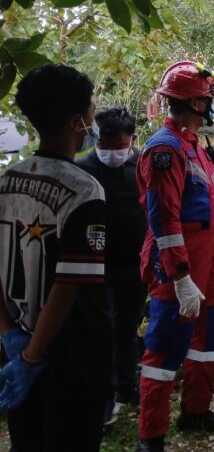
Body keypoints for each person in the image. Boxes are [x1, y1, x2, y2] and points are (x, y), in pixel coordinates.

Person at [0, 64, 112, 450]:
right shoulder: (84, 191)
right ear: (76, 121)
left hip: (18, 344)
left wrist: (12, 339)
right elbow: (68, 285)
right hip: (71, 356)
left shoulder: (8, 181)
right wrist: (33, 358)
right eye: (91, 107)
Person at [136, 61, 214, 452]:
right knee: (164, 348)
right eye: (208, 99)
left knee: (209, 339)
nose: (212, 104)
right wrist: (180, 277)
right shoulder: (165, 149)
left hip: (211, 262)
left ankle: (196, 411)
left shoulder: (195, 145)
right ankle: (151, 435)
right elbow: (164, 219)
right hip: (179, 266)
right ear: (195, 103)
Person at [76, 106, 148, 424]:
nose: (114, 153)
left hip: (135, 264)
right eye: (107, 147)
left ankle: (127, 388)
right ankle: (103, 397)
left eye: (122, 147)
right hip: (95, 266)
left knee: (127, 328)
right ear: (97, 140)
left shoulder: (142, 165)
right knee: (101, 330)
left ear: (132, 139)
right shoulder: (82, 168)